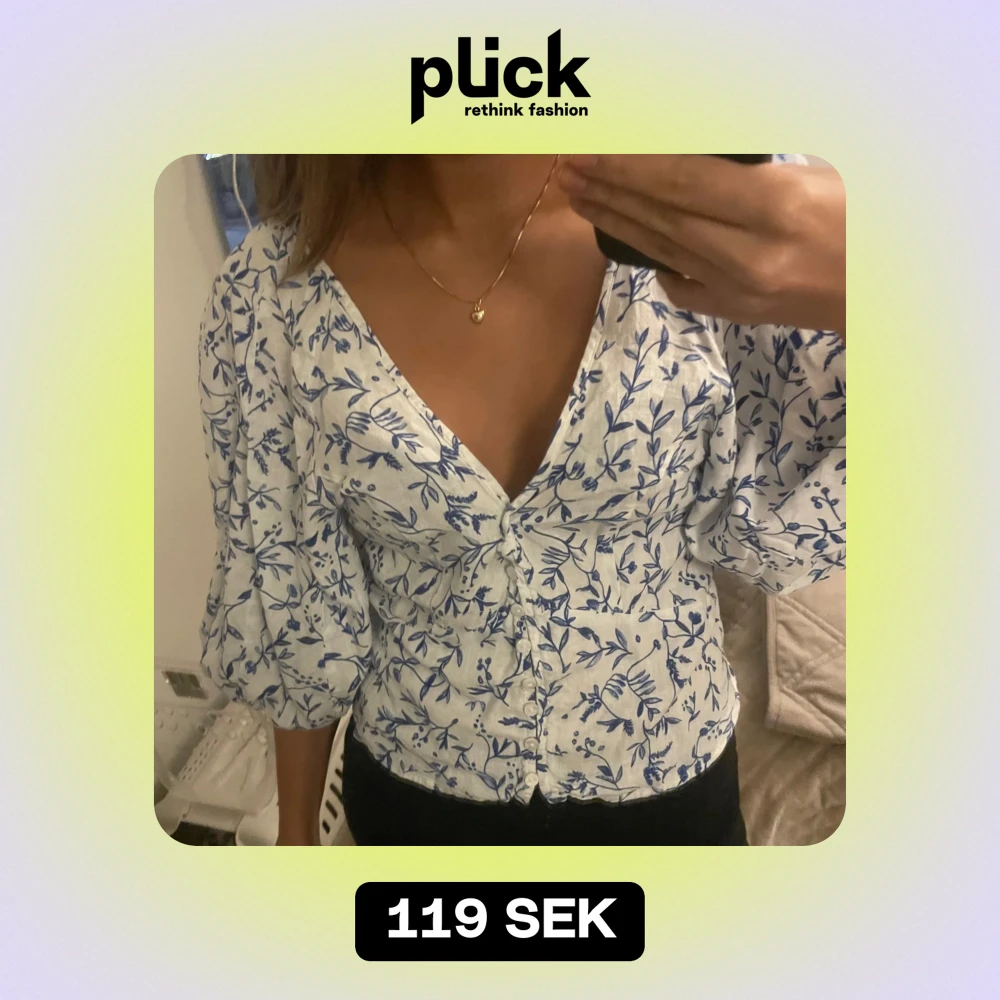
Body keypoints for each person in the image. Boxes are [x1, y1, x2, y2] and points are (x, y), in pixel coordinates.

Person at [196, 154, 846, 846]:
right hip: (418, 801)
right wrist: (297, 835)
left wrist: (865, 279)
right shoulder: (271, 291)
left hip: (674, 784)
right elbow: (295, 602)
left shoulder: (710, 228)